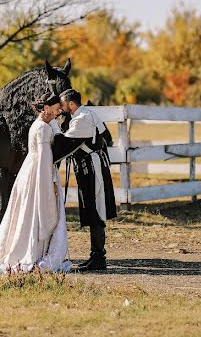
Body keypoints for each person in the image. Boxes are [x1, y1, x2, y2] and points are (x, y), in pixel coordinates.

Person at [0, 93, 72, 273]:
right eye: (56, 107)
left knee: (26, 213)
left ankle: (30, 248)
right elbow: (45, 159)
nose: (59, 110)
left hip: (29, 171)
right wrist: (51, 182)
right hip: (39, 174)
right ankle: (34, 251)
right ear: (46, 108)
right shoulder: (43, 129)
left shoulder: (39, 124)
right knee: (37, 211)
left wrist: (52, 121)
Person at [51, 88, 117, 271]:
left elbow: (63, 145)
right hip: (91, 166)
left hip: (92, 169)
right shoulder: (89, 114)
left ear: (71, 104)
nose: (61, 109)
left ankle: (98, 257)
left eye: (63, 105)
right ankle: (95, 255)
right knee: (92, 208)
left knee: (96, 209)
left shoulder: (81, 120)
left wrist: (53, 125)